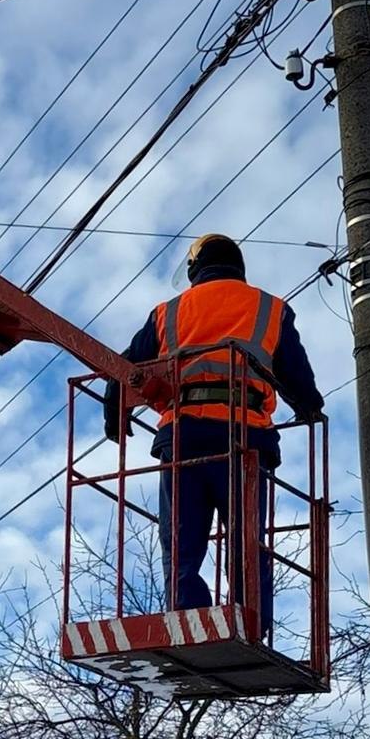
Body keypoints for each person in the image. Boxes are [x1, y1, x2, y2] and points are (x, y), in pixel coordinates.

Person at [104, 234, 324, 629]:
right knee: (246, 538)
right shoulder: (270, 309)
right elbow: (297, 376)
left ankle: (189, 619)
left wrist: (113, 407)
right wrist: (308, 407)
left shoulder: (168, 312)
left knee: (181, 540)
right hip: (244, 437)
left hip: (184, 436)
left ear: (195, 268)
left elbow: (127, 367)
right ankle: (250, 621)